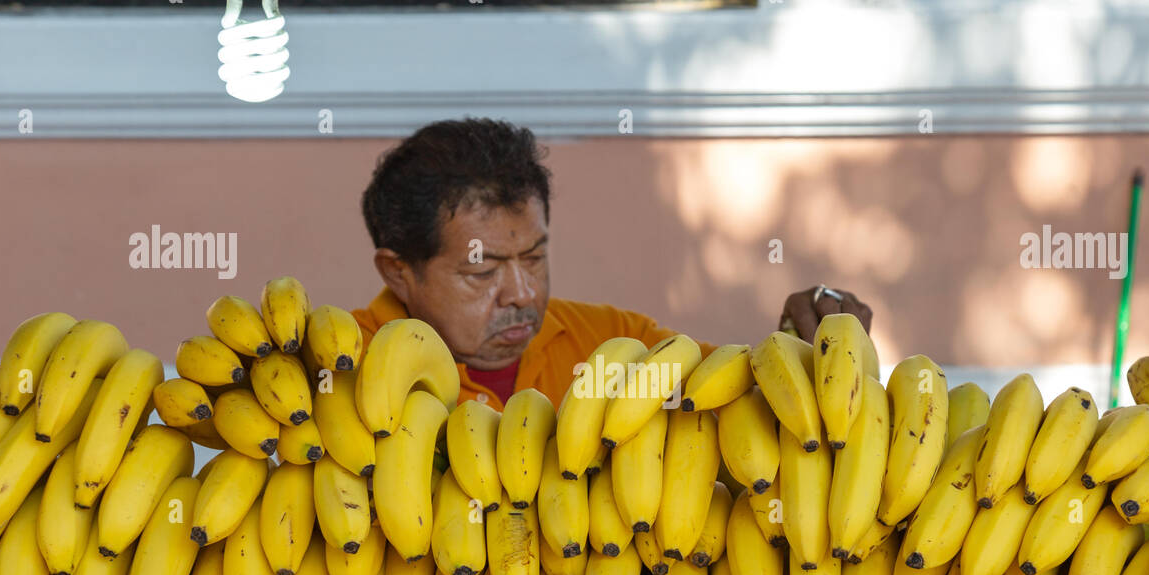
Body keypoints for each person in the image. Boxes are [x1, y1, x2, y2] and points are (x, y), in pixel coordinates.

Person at [352, 118, 872, 410]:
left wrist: (801, 346)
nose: (522, 294)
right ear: (398, 272)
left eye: (533, 258)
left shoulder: (614, 344)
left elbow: (741, 399)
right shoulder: (338, 371)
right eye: (481, 272)